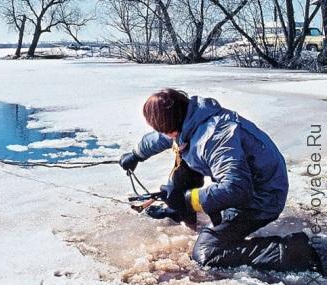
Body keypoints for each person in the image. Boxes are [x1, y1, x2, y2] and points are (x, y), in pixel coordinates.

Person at [119, 88, 326, 274]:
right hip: (244, 182)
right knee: (180, 174)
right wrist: (136, 154)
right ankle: (179, 210)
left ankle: (298, 252)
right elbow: (159, 139)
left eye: (164, 130)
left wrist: (189, 199)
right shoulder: (188, 119)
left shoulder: (214, 137)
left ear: (172, 125)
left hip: (263, 195)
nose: (165, 135)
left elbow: (237, 189)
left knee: (206, 254)